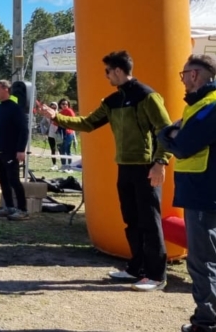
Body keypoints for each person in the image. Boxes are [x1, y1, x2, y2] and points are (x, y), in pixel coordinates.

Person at [39, 50, 173, 292]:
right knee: (131, 220)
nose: (106, 76)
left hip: (146, 168)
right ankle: (136, 268)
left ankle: (156, 275)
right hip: (124, 166)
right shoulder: (113, 101)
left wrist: (160, 162)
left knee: (150, 222)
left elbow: (166, 130)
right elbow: (88, 123)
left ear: (119, 71)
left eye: (107, 72)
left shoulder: (148, 96)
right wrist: (56, 117)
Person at [158, 55, 216, 332]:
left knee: (202, 258)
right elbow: (175, 136)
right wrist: (171, 134)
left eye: (184, 75)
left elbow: (180, 144)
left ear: (195, 75)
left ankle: (205, 322)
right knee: (213, 254)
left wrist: (169, 135)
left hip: (205, 187)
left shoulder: (213, 106)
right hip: (213, 186)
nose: (183, 80)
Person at [0, 81, 30, 221]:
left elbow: (23, 130)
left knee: (14, 180)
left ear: (6, 89)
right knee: (3, 180)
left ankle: (22, 209)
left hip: (11, 150)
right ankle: (9, 207)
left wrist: (20, 150)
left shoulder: (15, 108)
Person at [58, 99, 77, 170]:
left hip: (68, 132)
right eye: (63, 104)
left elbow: (73, 119)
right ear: (60, 105)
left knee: (67, 149)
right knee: (61, 150)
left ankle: (69, 166)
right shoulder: (60, 112)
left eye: (66, 104)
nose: (64, 105)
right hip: (61, 133)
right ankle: (63, 165)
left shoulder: (69, 111)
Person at [45, 101, 60, 171]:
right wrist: (44, 130)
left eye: (54, 106)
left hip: (59, 134)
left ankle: (65, 165)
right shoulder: (48, 115)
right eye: (51, 106)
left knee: (61, 149)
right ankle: (54, 164)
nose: (53, 107)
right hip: (51, 134)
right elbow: (43, 123)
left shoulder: (59, 114)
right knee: (53, 149)